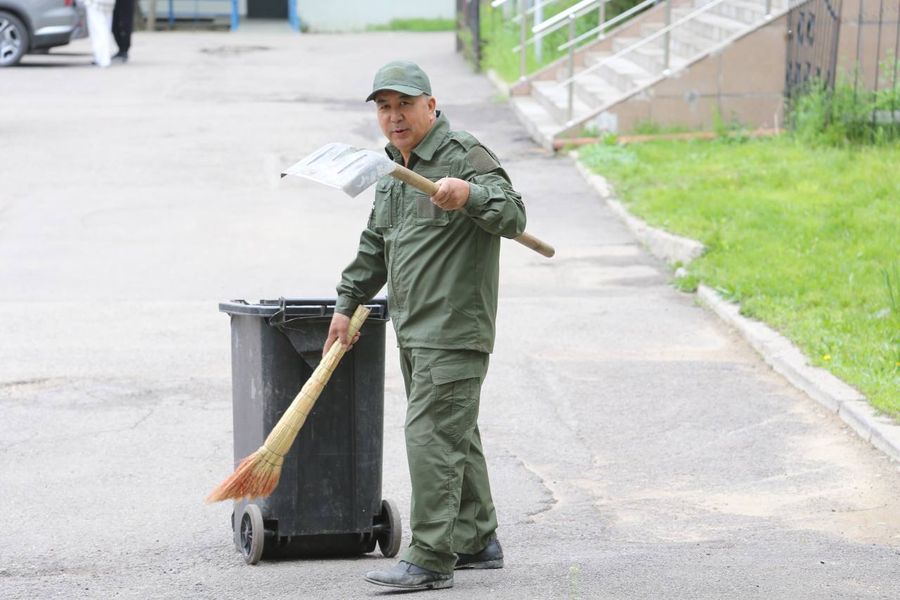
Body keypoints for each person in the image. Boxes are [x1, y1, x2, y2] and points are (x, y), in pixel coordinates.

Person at [323, 60, 526, 592]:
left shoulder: (463, 153)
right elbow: (376, 243)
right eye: (385, 108)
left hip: (455, 328)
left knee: (431, 436)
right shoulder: (392, 168)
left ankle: (431, 557)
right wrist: (346, 303)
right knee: (455, 433)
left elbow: (513, 214)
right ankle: (477, 540)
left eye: (405, 106)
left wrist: (471, 195)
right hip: (412, 327)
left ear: (431, 107)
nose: (394, 117)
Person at [83, 0, 116, 67]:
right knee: (105, 29)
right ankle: (102, 57)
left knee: (98, 30)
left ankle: (102, 58)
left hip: (94, 3)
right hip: (109, 3)